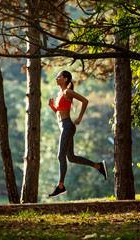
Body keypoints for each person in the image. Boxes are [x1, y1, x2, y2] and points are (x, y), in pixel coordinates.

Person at [47, 70, 108, 198]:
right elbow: (59, 114)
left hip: (68, 126)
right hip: (64, 127)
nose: (56, 78)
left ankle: (60, 186)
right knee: (71, 157)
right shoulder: (59, 94)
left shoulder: (67, 92)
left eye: (59, 77)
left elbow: (85, 101)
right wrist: (53, 107)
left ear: (65, 79)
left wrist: (79, 117)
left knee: (60, 156)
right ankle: (98, 166)